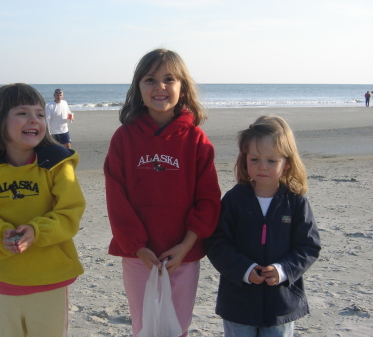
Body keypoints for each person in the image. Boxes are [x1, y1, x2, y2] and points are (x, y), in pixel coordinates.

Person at [103, 48, 221, 336]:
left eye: (169, 79)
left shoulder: (195, 139)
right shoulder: (124, 138)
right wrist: (136, 245)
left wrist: (187, 244)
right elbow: (115, 198)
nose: (160, 87)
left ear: (182, 87)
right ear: (138, 88)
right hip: (138, 254)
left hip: (182, 254)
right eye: (150, 80)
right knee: (143, 326)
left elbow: (208, 198)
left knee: (177, 325)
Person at [0, 83, 85, 337]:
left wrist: (36, 230)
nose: (34, 120)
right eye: (22, 113)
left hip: (49, 275)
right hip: (3, 275)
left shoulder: (57, 164)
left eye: (39, 114)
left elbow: (69, 213)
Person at [205, 115, 321, 337]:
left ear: (286, 163)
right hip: (238, 304)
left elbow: (308, 247)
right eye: (255, 159)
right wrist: (245, 270)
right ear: (244, 159)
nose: (263, 167)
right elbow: (216, 243)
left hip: (281, 304)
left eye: (272, 160)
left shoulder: (295, 202)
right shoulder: (234, 200)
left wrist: (283, 270)